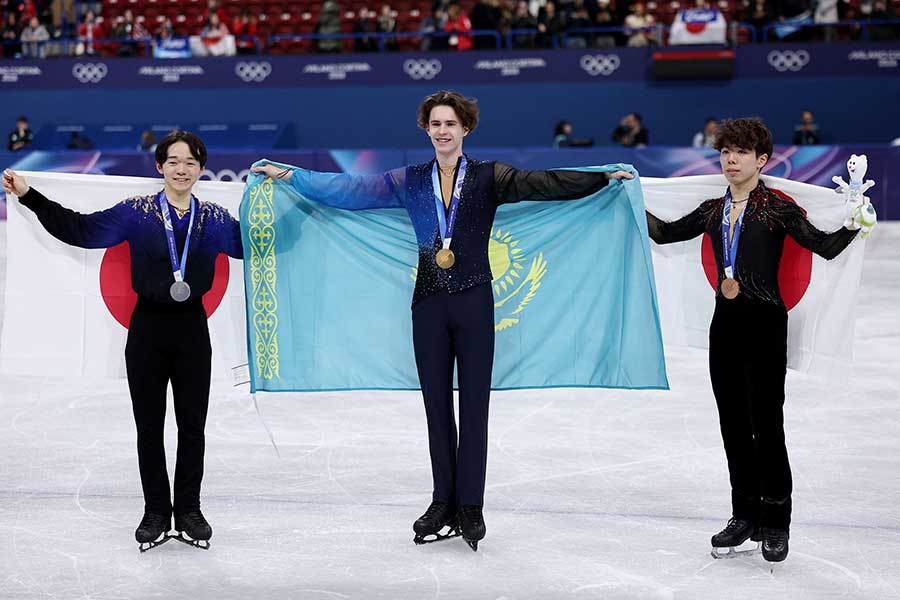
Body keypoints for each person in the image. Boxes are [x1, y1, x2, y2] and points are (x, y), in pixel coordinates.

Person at [252, 90, 633, 552]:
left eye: (450, 123)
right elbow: (349, 191)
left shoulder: (492, 176)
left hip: (474, 302)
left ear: (465, 128)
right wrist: (290, 176)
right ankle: (441, 501)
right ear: (426, 129)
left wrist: (600, 177)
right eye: (435, 123)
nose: (443, 131)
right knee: (436, 409)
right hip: (428, 304)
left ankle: (470, 504)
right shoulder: (410, 180)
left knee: (474, 408)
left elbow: (545, 183)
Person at [2, 131, 243, 553]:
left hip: (192, 331)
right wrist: (29, 195)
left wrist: (293, 206)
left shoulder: (215, 221)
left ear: (201, 169)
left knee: (192, 428)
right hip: (147, 330)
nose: (181, 169)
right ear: (159, 167)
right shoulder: (137, 213)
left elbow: (259, 244)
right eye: (173, 161)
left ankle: (188, 509)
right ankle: (155, 511)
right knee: (148, 428)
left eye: (189, 162)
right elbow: (80, 229)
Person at [645, 117, 863, 563]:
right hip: (724, 327)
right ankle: (743, 515)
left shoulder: (778, 209)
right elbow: (666, 233)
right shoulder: (712, 210)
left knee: (766, 426)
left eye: (741, 152)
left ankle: (775, 521)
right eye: (725, 152)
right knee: (732, 426)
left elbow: (825, 246)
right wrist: (625, 203)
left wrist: (857, 219)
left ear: (761, 160)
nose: (730, 159)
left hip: (766, 327)